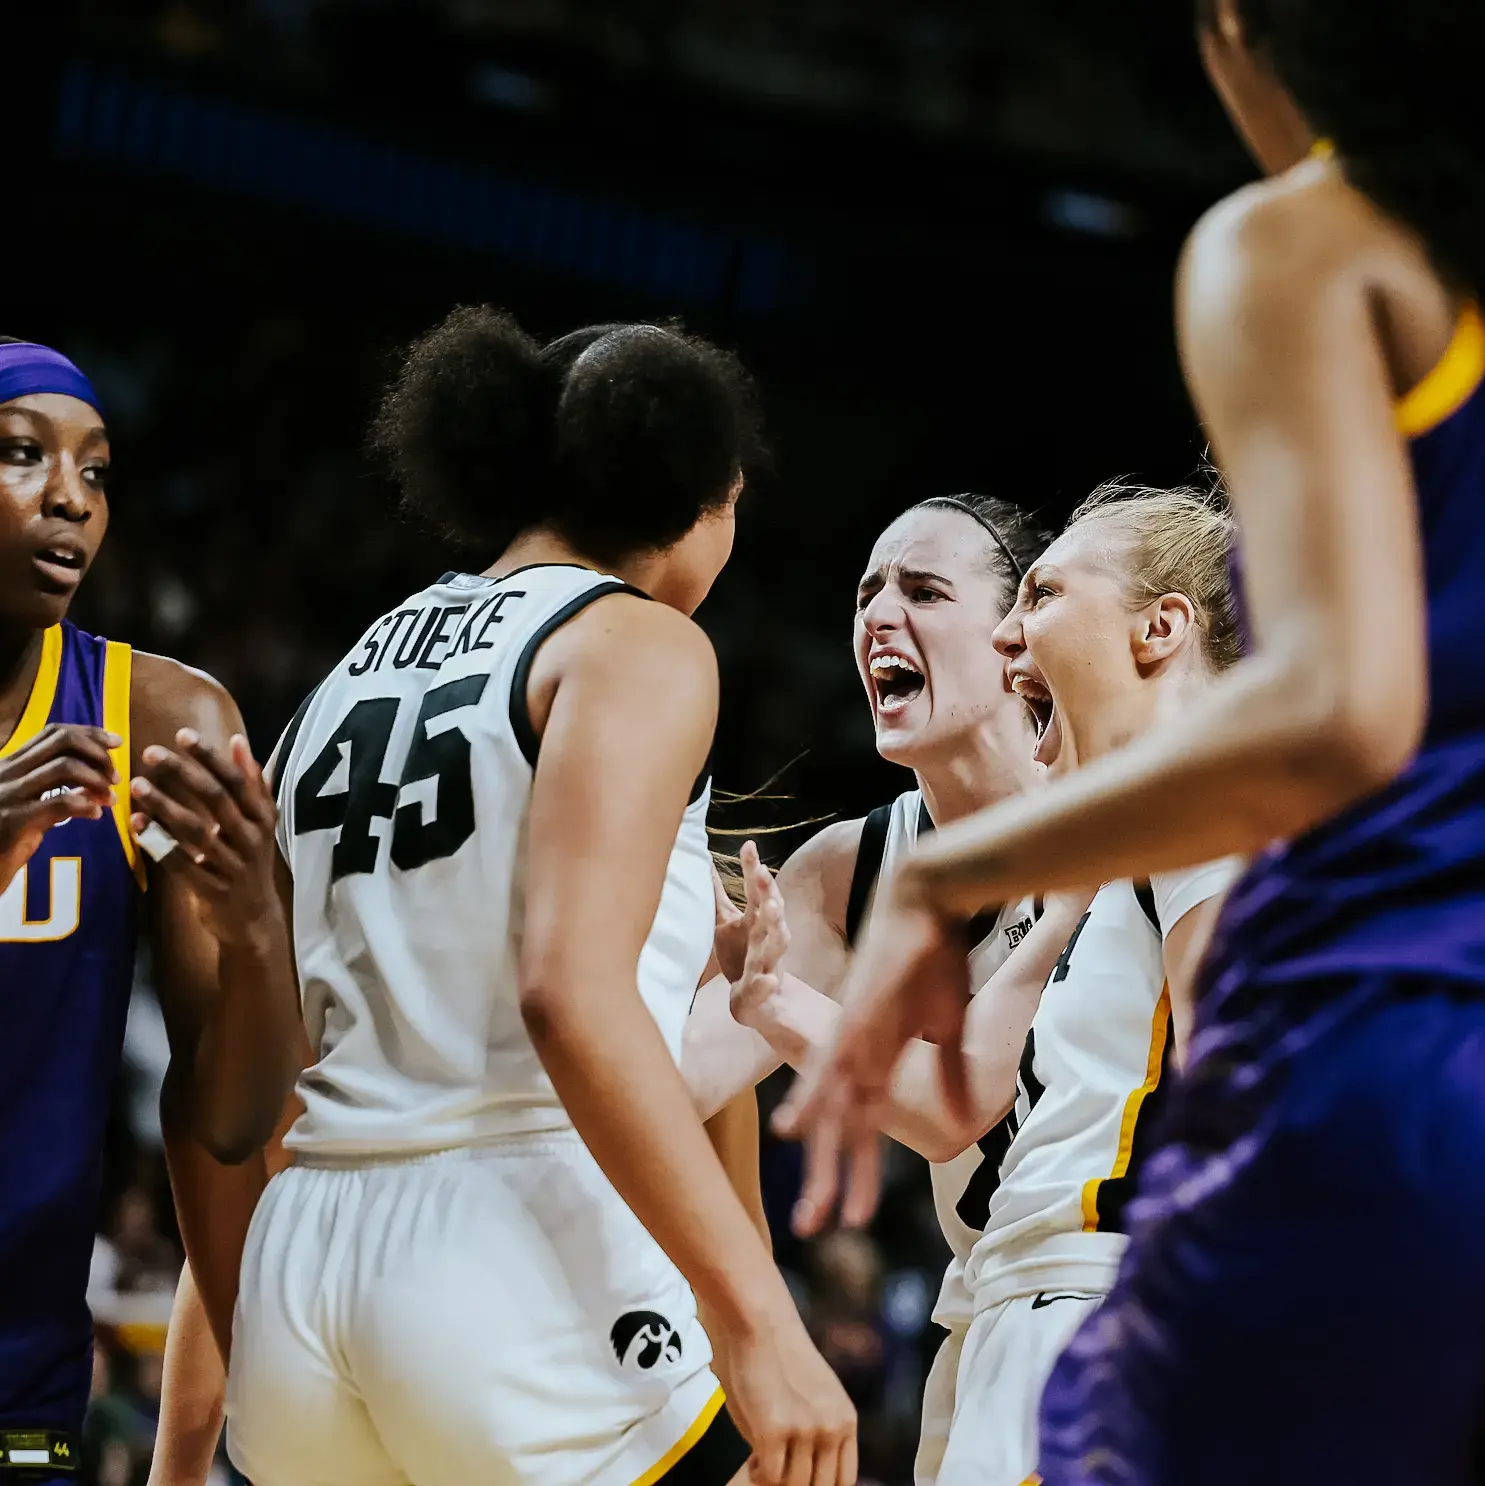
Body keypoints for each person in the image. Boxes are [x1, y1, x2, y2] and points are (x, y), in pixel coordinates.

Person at [784, 0, 1485, 1480]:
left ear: (1243, 30)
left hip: (1442, 1077)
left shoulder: (1307, 241)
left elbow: (1342, 714)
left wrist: (933, 879)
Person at [166, 307, 855, 1486]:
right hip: (509, 1244)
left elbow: (271, 1075)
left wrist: (192, 1433)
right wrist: (756, 1314)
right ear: (691, 489)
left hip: (306, 1269)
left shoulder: (343, 676)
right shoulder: (635, 643)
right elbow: (570, 995)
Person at [739, 483, 1243, 1484]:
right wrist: (773, 996)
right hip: (1016, 1310)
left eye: (1043, 596)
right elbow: (961, 1105)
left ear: (1159, 629)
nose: (1009, 637)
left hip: (1104, 1315)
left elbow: (1240, 1105)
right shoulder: (1098, 859)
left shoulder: (1200, 803)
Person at [681, 492, 1050, 1485]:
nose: (880, 614)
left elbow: (955, 1110)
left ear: (1020, 635)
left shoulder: (1122, 815)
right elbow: (677, 1084)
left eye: (923, 590)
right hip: (988, 1307)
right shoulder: (847, 869)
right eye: (866, 594)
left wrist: (780, 1003)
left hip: (1143, 1289)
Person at [0, 338, 298, 1481]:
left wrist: (257, 935)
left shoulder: (157, 716)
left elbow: (229, 1118)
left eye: (97, 468)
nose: (70, 495)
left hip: (21, 1373)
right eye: (24, 454)